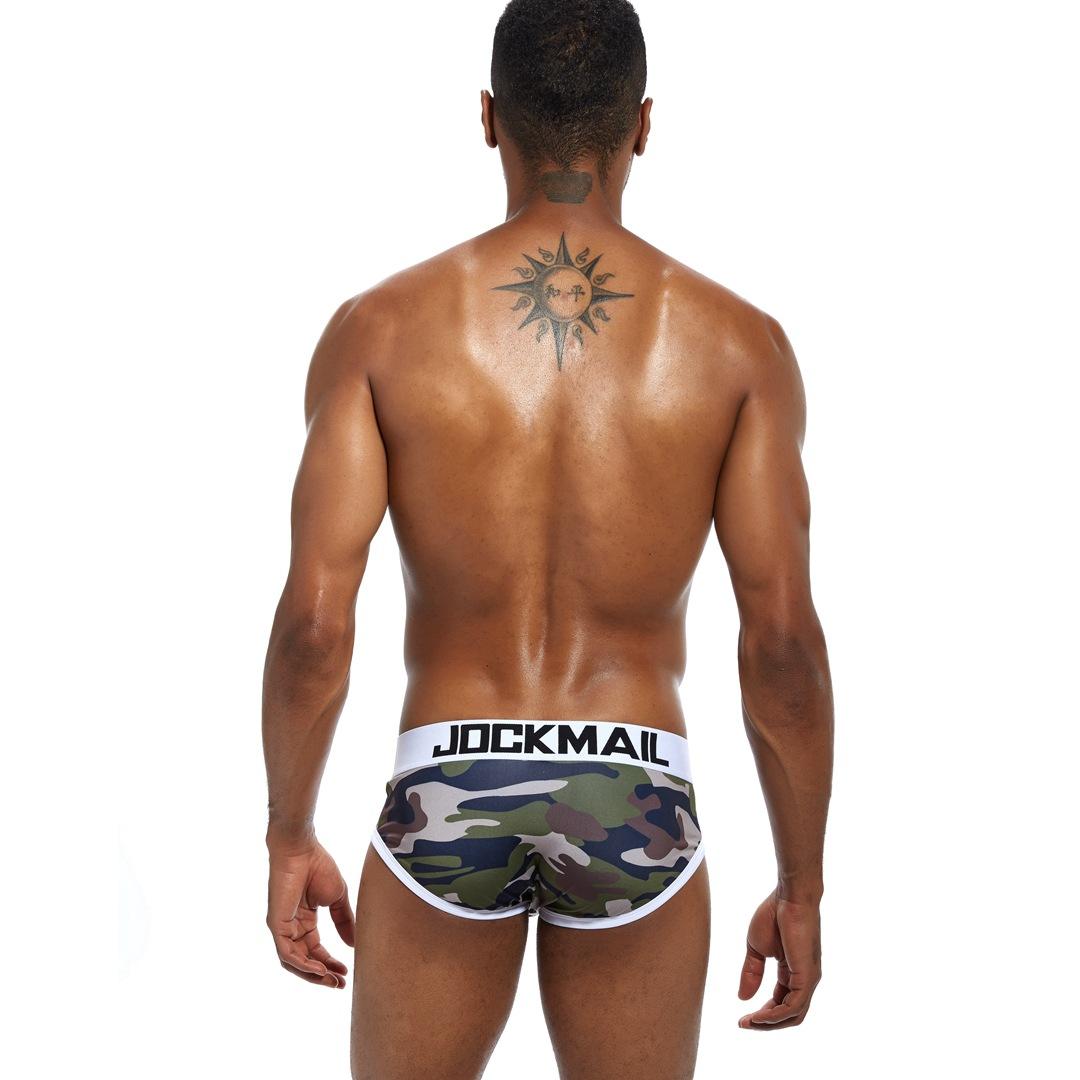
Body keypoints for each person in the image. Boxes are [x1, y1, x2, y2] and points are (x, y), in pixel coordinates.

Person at [262, 1, 833, 1076]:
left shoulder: (379, 331)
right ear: (644, 123)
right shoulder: (738, 347)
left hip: (449, 776)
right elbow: (783, 647)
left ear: (489, 117)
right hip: (634, 779)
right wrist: (801, 886)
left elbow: (313, 629)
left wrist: (289, 832)